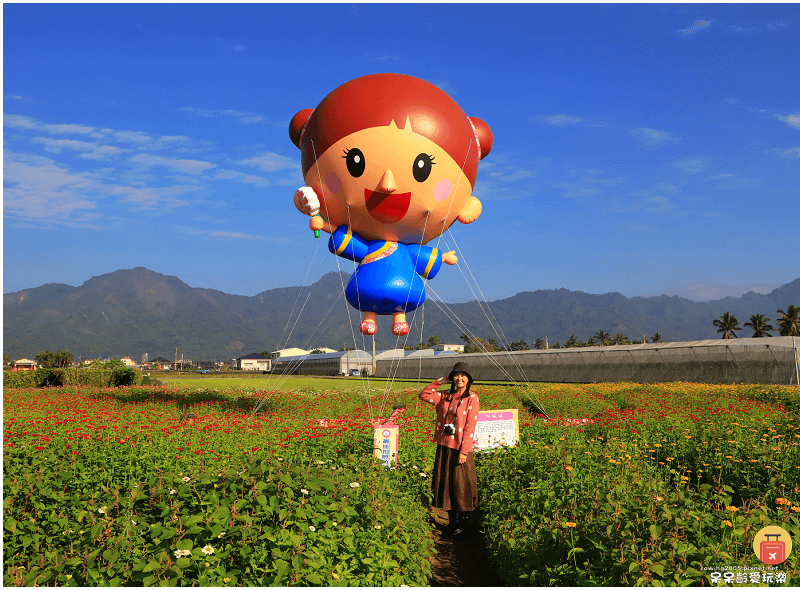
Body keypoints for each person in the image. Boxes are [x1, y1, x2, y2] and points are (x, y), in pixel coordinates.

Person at [289, 73, 493, 336]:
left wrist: (444, 257)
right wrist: (325, 224)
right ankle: (376, 318)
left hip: (386, 287)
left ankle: (398, 319)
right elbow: (349, 243)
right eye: (355, 162)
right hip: (381, 288)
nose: (387, 185)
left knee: (394, 303)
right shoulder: (390, 251)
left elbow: (348, 243)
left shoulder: (390, 251)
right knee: (379, 301)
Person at [419, 361, 480, 537]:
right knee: (446, 485)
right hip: (445, 446)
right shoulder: (445, 396)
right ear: (452, 378)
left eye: (463, 375)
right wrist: (439, 382)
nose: (459, 378)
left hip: (460, 448)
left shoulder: (472, 398)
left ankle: (464, 524)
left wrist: (464, 451)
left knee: (461, 485)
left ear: (468, 379)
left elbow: (470, 426)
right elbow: (423, 395)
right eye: (456, 375)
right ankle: (452, 523)